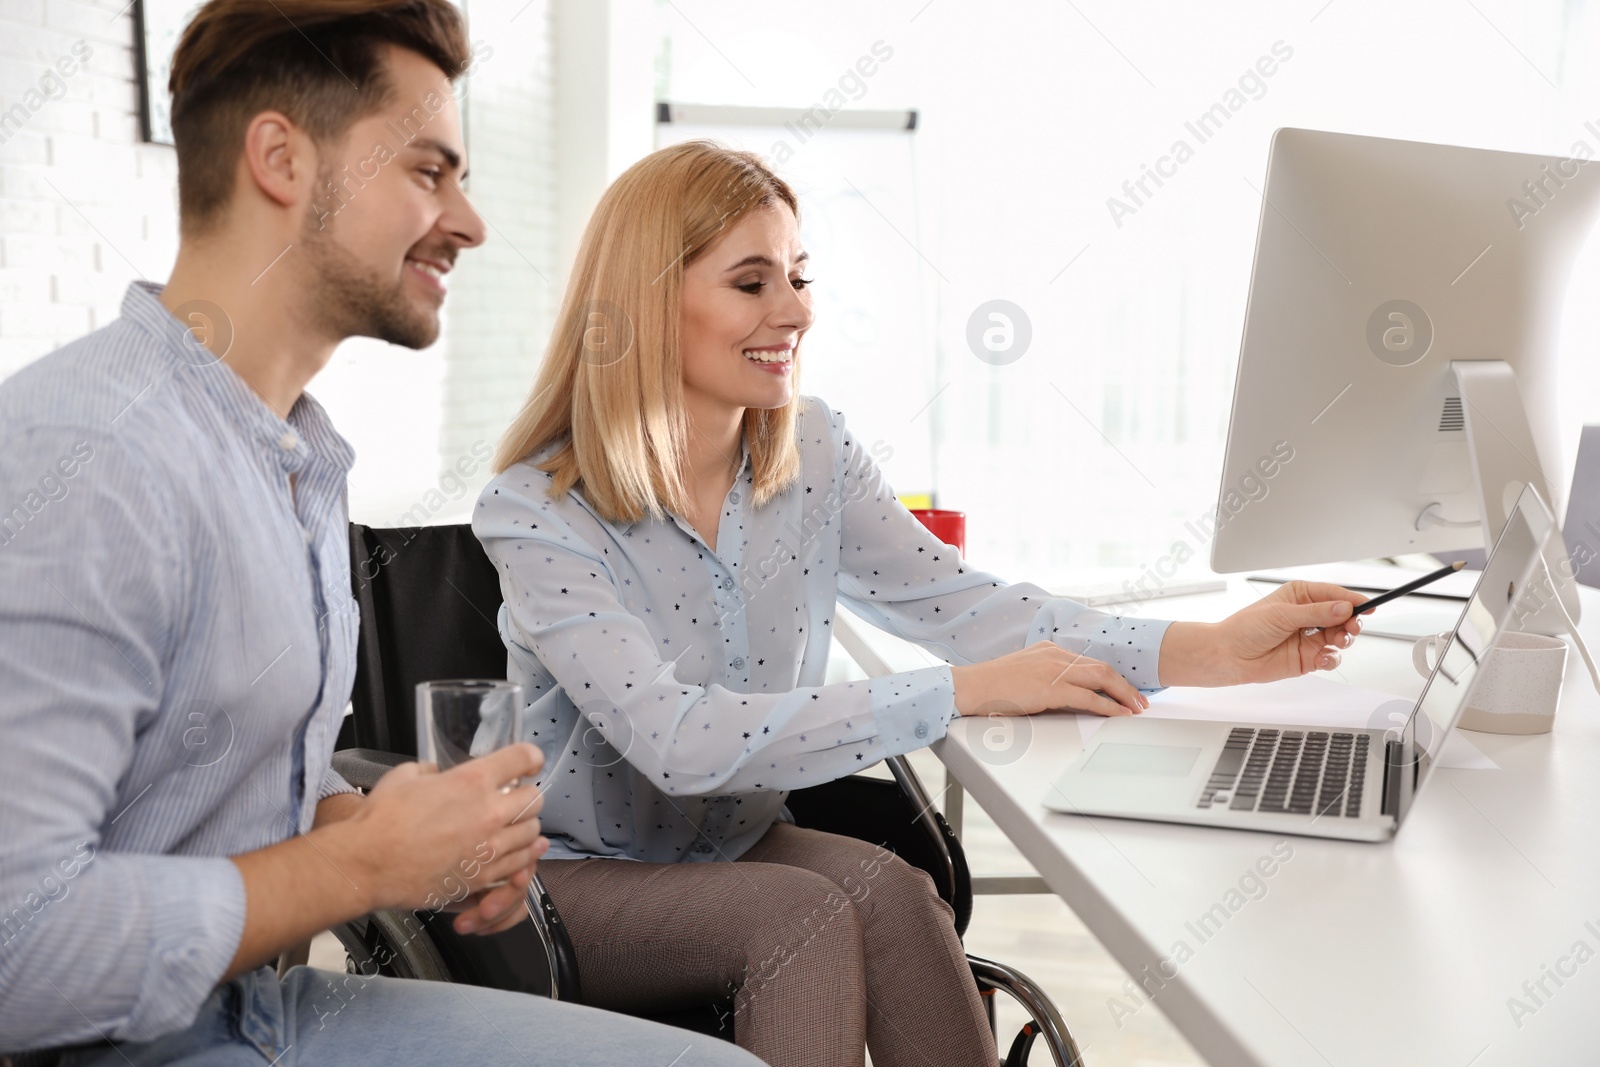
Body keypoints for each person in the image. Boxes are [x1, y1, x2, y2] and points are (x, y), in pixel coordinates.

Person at [473, 139, 1370, 1066]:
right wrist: (960, 691)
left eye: (798, 274)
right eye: (752, 282)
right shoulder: (538, 510)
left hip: (734, 849)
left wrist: (1212, 648)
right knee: (804, 916)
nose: (796, 311)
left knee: (896, 893)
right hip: (569, 882)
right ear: (647, 306)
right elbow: (679, 741)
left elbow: (969, 607)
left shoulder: (812, 452)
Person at [0, 5, 759, 1066]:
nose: (469, 220)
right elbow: (16, 948)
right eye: (428, 172)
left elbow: (202, 769)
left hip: (255, 1007)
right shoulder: (85, 456)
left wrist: (384, 828)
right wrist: (361, 870)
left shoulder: (297, 459)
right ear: (282, 159)